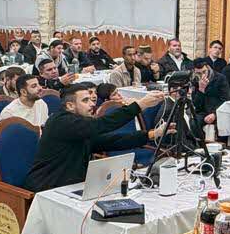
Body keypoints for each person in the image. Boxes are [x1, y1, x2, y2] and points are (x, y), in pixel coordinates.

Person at [22, 82, 165, 193]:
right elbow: (103, 124)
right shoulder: (61, 122)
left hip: (72, 186)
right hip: (47, 188)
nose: (92, 104)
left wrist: (152, 134)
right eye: (85, 101)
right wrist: (139, 105)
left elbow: (111, 141)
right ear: (70, 105)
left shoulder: (79, 124)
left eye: (91, 100)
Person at [190, 57, 230, 128]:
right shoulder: (195, 80)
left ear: (208, 68)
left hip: (218, 110)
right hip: (202, 112)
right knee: (193, 123)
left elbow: (225, 99)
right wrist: (201, 90)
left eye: (204, 72)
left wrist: (214, 114)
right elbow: (196, 104)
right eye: (199, 73)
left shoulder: (220, 78)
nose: (203, 75)